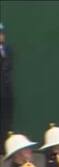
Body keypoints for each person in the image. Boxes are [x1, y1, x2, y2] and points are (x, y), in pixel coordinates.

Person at [0, 23, 13, 155]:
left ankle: (3, 148)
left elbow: (8, 67)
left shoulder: (7, 49)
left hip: (6, 93)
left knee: (6, 121)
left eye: (2, 33)